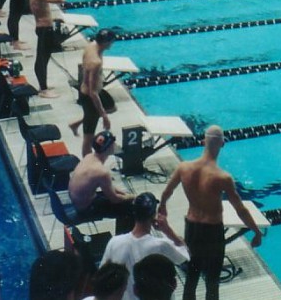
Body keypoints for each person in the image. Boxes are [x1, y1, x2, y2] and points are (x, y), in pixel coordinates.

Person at [158, 125, 264, 300]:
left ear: (202, 142)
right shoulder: (223, 177)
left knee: (191, 278)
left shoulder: (184, 167)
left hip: (191, 228)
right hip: (212, 233)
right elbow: (240, 209)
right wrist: (256, 231)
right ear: (222, 144)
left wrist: (162, 208)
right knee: (212, 282)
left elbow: (166, 193)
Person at [101, 193, 189, 300]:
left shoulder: (114, 242)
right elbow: (185, 256)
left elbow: (103, 273)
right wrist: (167, 230)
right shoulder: (162, 245)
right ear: (153, 216)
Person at [68, 130, 135, 222]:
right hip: (85, 209)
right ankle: (124, 235)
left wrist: (124, 194)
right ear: (108, 148)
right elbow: (114, 199)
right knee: (130, 207)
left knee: (124, 198)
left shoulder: (89, 157)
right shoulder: (101, 172)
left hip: (77, 201)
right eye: (113, 143)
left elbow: (108, 186)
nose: (115, 145)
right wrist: (132, 197)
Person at [71, 29, 117, 155]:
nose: (112, 44)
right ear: (106, 42)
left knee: (112, 107)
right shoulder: (95, 62)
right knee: (88, 139)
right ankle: (87, 164)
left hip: (93, 90)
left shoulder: (91, 46)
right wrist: (104, 116)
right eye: (111, 42)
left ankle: (76, 123)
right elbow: (92, 93)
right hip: (89, 97)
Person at [29, 0, 65, 99]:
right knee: (42, 59)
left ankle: (43, 86)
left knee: (44, 59)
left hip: (43, 28)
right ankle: (43, 90)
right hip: (45, 30)